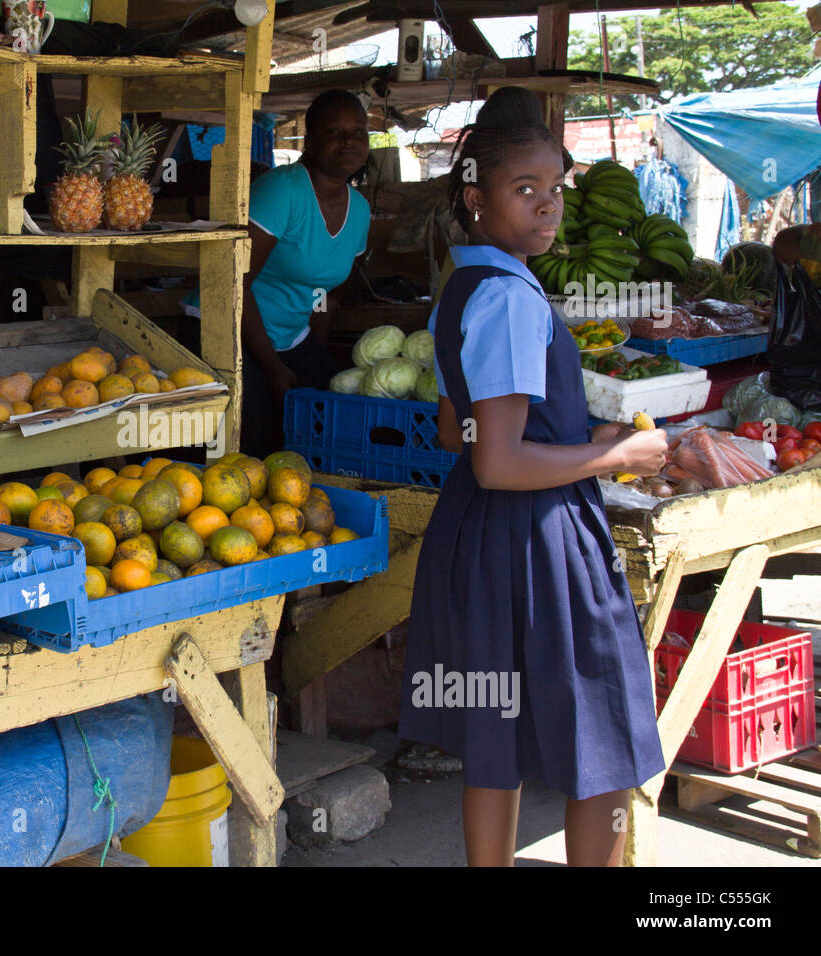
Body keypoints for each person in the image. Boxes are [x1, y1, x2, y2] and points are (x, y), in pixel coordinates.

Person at [396, 87, 671, 867]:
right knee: (604, 732)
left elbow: (461, 429)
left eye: (555, 191)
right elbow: (499, 457)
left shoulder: (462, 287)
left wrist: (575, 433)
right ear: (477, 198)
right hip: (541, 541)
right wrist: (617, 456)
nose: (547, 208)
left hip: (479, 539)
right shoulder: (516, 299)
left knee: (495, 731)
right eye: (526, 192)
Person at [220, 89, 371, 457]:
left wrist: (314, 351)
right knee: (256, 437)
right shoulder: (282, 190)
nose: (348, 141)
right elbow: (234, 281)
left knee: (329, 410)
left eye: (358, 132)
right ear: (310, 140)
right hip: (228, 329)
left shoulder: (361, 211)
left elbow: (327, 295)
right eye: (335, 132)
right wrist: (272, 366)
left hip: (291, 336)